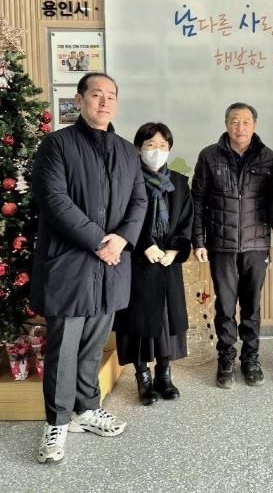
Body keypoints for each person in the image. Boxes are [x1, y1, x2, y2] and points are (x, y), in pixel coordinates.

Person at [30, 73, 147, 463]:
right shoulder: (57, 145)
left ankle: (86, 408)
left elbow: (139, 201)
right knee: (63, 348)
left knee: (93, 344)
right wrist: (99, 240)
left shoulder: (126, 151)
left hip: (110, 265)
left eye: (111, 95)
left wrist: (121, 239)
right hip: (71, 263)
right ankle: (57, 423)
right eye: (96, 94)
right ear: (79, 101)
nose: (104, 101)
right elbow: (54, 200)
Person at [191, 102, 273, 389]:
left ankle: (251, 358)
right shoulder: (209, 156)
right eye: (234, 121)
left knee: (252, 306)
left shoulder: (267, 158)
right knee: (226, 306)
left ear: (254, 124)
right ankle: (226, 358)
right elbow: (197, 200)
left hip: (256, 244)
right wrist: (198, 240)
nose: (239, 127)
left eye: (245, 121)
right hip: (221, 245)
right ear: (226, 123)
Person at [114, 122, 193, 404]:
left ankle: (164, 375)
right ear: (139, 148)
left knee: (167, 322)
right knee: (138, 323)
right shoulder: (127, 180)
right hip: (137, 262)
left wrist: (175, 249)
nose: (156, 151)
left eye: (162, 146)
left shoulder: (180, 182)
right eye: (150, 145)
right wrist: (144, 244)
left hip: (167, 263)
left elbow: (187, 221)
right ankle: (143, 378)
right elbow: (121, 217)